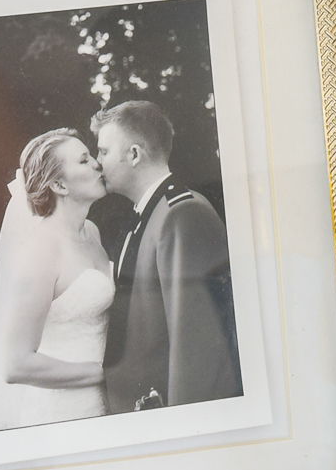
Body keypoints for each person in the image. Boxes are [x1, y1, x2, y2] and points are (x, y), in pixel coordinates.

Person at [94, 101, 241, 414]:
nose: (97, 162)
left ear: (134, 154)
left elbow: (197, 344)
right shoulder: (155, 212)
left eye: (103, 152)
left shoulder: (181, 213)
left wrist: (182, 424)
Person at [0, 128, 115, 430]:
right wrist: (102, 373)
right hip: (63, 412)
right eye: (83, 160)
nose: (97, 164)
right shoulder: (40, 250)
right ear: (58, 184)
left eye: (92, 156)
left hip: (104, 401)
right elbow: (15, 364)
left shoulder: (91, 232)